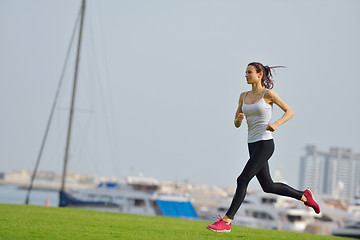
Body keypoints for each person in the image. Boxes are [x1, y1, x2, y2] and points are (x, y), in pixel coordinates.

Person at [206, 62, 320, 233]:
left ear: (259, 74)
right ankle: (304, 196)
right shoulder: (242, 96)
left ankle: (227, 221)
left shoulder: (268, 94)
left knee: (242, 179)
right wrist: (238, 119)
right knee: (268, 186)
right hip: (251, 145)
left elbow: (290, 111)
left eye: (249, 72)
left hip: (266, 144)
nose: (246, 75)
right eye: (245, 72)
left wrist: (276, 124)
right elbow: (236, 124)